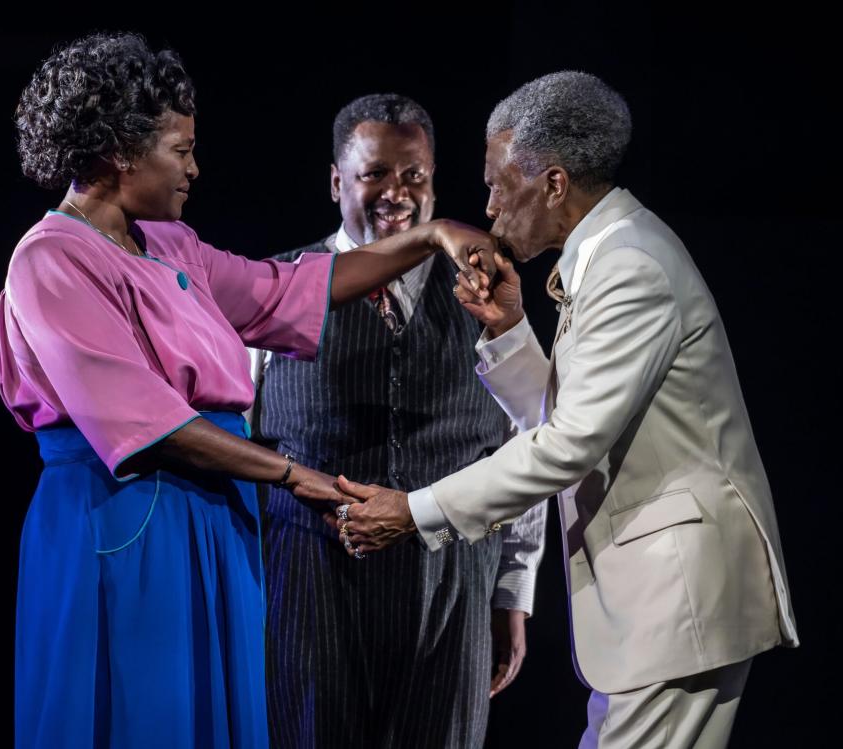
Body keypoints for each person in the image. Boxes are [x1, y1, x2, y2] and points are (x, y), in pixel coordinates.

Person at [0, 32, 496, 749]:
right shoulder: (50, 258)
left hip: (211, 513)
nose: (194, 168)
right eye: (179, 149)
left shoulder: (169, 244)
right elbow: (153, 425)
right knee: (143, 712)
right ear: (118, 151)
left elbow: (292, 287)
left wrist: (432, 237)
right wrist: (298, 475)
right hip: (126, 517)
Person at [336, 71, 798, 748]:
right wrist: (510, 332)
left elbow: (568, 446)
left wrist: (414, 511)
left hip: (681, 598)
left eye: (498, 183)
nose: (489, 207)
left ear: (554, 184)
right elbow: (572, 422)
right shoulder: (608, 256)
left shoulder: (630, 266)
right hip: (658, 604)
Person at [251, 93, 547, 748]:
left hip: (454, 585)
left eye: (414, 176)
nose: (397, 193)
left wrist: (513, 591)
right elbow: (236, 442)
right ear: (336, 181)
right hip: (311, 583)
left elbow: (529, 441)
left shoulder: (484, 289)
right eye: (374, 174)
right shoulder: (277, 290)